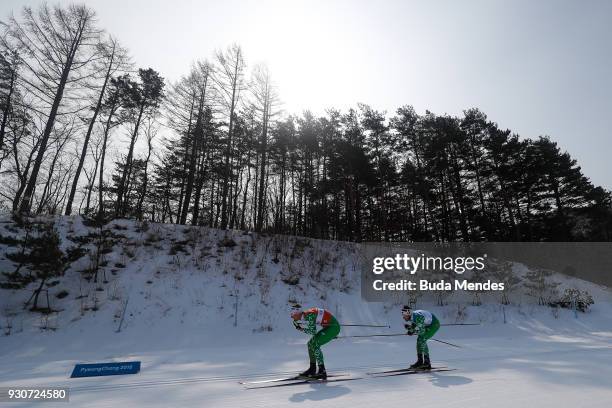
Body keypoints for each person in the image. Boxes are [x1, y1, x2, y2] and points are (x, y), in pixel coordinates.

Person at [291, 306, 341, 379]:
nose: (291, 316)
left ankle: (322, 371)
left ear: (298, 314)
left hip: (333, 328)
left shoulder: (309, 315)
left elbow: (313, 331)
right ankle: (312, 369)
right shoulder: (307, 315)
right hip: (329, 327)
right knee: (310, 344)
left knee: (315, 344)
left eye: (292, 314)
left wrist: (300, 329)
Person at [402, 305, 440, 369]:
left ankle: (427, 363)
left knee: (422, 339)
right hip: (428, 324)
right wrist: (411, 330)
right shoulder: (413, 316)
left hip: (434, 324)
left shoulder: (417, 317)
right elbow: (415, 326)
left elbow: (421, 332)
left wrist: (411, 330)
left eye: (404, 315)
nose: (403, 317)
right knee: (419, 339)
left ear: (408, 313)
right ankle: (420, 361)